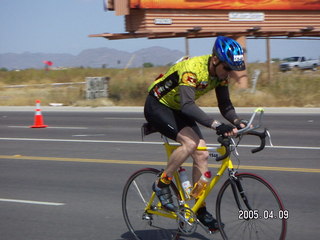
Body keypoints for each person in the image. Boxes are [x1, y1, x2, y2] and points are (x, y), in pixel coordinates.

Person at [144, 36, 248, 231]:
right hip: (158, 105)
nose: (229, 73)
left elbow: (225, 105)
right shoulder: (192, 69)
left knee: (202, 154)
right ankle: (161, 183)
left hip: (178, 109)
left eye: (232, 70)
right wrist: (217, 125)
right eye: (227, 68)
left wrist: (236, 121)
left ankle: (199, 209)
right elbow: (187, 105)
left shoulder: (221, 74)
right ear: (215, 60)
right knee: (190, 144)